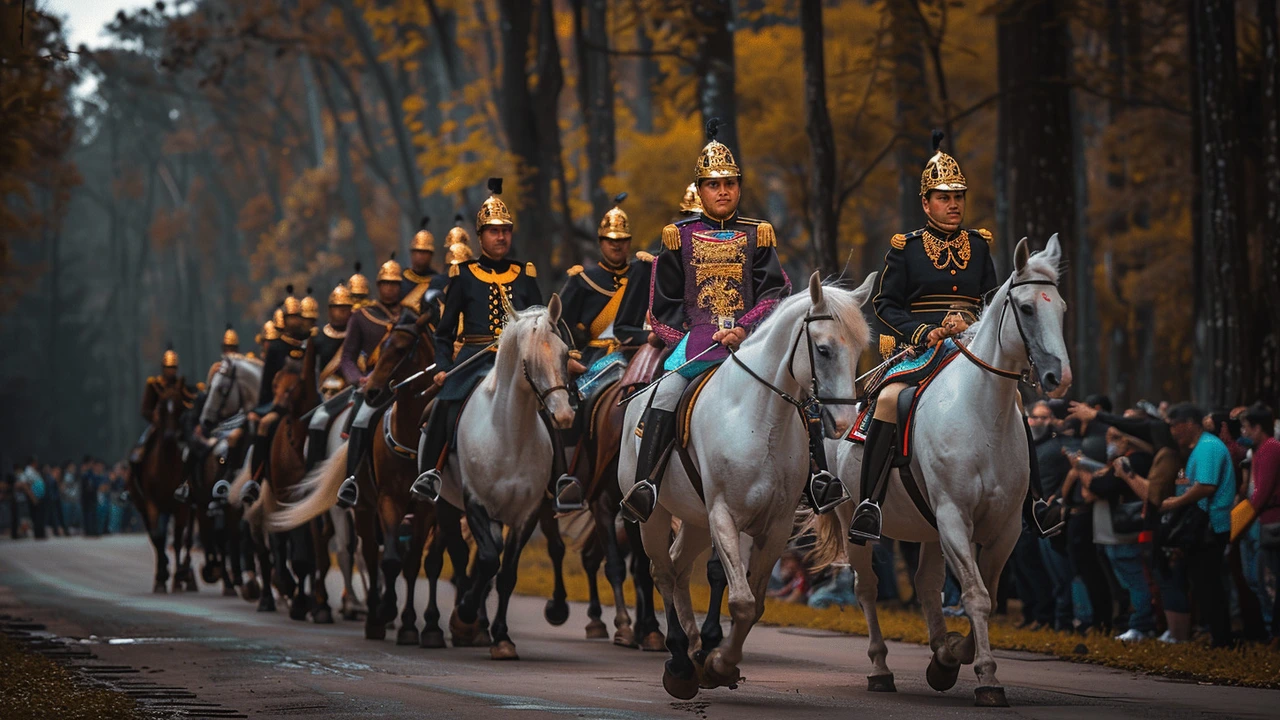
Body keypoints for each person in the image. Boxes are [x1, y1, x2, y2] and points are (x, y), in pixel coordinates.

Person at [618, 119, 793, 523]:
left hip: (752, 340)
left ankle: (816, 479)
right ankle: (645, 485)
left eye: (730, 183)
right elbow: (662, 309)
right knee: (662, 396)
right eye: (714, 185)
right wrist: (688, 338)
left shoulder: (758, 233)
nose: (723, 191)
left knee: (798, 389)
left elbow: (775, 292)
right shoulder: (677, 235)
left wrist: (744, 327)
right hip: (697, 340)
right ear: (700, 191)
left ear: (739, 188)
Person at [849, 131, 1008, 543]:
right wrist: (923, 330)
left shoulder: (980, 245)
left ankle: (1034, 498)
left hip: (973, 348)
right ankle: (869, 503)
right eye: (943, 196)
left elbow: (991, 302)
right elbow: (885, 304)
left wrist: (974, 323)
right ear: (926, 203)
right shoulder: (907, 248)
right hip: (921, 349)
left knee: (1015, 400)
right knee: (887, 401)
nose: (953, 204)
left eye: (958, 196)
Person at [412, 178, 569, 509]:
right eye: (494, 231)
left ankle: (561, 480)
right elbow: (443, 333)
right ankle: (430, 474)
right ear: (481, 236)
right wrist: (443, 367)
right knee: (444, 403)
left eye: (506, 231)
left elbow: (543, 322)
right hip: (473, 358)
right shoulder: (464, 276)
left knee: (548, 403)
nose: (502, 237)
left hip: (519, 361)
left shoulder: (524, 274)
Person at [335, 255, 408, 507]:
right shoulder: (362, 316)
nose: (391, 287)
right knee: (362, 418)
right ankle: (351, 480)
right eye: (386, 283)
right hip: (375, 388)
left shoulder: (410, 315)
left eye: (395, 283)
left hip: (405, 385)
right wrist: (358, 379)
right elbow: (346, 358)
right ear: (378, 286)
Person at [1162, 402, 1236, 647]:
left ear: (1189, 423)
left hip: (1212, 525)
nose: (1173, 431)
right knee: (1203, 584)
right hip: (1202, 526)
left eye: (1175, 425)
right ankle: (1215, 634)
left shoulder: (1207, 447)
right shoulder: (1199, 448)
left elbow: (1206, 486)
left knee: (1209, 583)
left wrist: (1176, 502)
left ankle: (1222, 639)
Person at [1084, 426, 1156, 641]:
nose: (1110, 442)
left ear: (1130, 439)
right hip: (1111, 534)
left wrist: (1089, 475)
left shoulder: (1136, 460)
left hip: (1125, 533)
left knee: (1136, 581)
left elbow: (1100, 486)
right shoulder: (1116, 461)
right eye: (1108, 438)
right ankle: (1132, 622)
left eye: (1116, 438)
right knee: (1126, 583)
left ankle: (1142, 624)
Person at [243, 290, 308, 503]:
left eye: (298, 316)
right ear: (285, 319)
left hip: (306, 404)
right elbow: (266, 384)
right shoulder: (276, 348)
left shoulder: (309, 344)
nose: (295, 321)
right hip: (278, 404)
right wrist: (262, 409)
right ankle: (256, 480)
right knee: (264, 426)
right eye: (291, 317)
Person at [305, 282, 355, 471]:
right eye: (337, 308)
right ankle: (313, 469)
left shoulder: (357, 332)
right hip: (328, 396)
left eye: (345, 308)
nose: (341, 312)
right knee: (318, 420)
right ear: (330, 310)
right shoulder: (318, 336)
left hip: (353, 391)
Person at [1242, 402, 1280, 648]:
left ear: (1258, 428)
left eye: (1246, 427)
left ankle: (1273, 635)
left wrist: (1240, 520)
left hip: (1272, 522)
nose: (1244, 432)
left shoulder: (1270, 449)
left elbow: (1262, 491)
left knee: (1270, 578)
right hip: (1265, 521)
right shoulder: (1263, 449)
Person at [400, 217, 450, 324]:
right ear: (412, 253)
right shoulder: (401, 279)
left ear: (431, 255)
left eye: (425, 252)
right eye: (418, 252)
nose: (421, 256)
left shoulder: (437, 281)